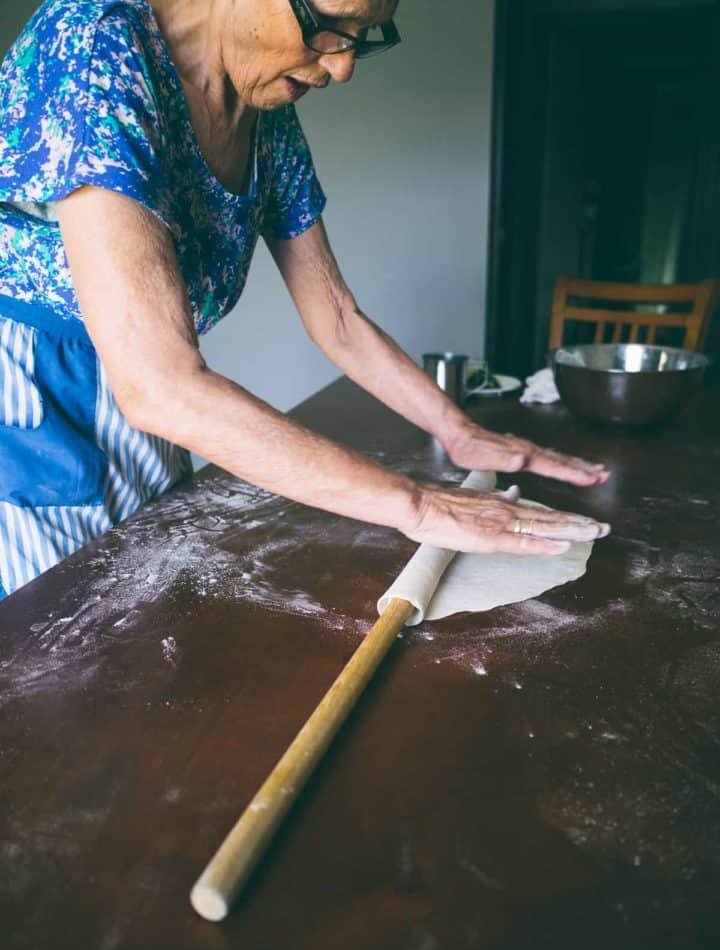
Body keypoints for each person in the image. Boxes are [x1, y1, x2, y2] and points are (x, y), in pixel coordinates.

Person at [0, 0, 610, 601]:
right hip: (35, 412)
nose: (342, 66)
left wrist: (458, 432)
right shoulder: (93, 45)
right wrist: (417, 505)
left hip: (149, 418)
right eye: (330, 27)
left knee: (143, 622)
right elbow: (160, 386)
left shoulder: (262, 108)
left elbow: (337, 316)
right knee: (56, 645)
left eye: (365, 35)